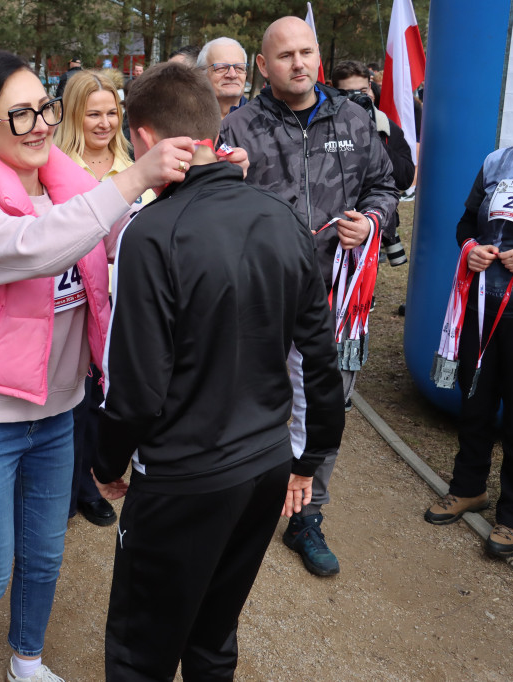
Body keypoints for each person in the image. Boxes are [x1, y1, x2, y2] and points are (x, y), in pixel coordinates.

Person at [0, 50, 193, 682]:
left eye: (42, 108)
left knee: (45, 557)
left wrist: (204, 181)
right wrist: (131, 181)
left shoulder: (73, 191)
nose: (40, 125)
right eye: (18, 115)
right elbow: (35, 249)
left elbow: (136, 247)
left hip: (57, 411)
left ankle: (26, 658)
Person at [94, 60, 345, 682]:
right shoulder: (282, 216)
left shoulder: (150, 232)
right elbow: (318, 357)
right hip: (262, 465)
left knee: (140, 647)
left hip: (186, 474)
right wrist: (307, 459)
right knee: (213, 632)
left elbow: (136, 385)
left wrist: (105, 464)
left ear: (145, 139)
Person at [219, 16, 399, 577]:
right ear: (263, 66)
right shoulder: (237, 127)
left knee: (323, 409)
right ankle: (239, 503)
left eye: (307, 52)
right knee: (247, 401)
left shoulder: (354, 117)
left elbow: (385, 187)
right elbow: (206, 206)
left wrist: (370, 223)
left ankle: (307, 516)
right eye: (285, 55)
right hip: (259, 301)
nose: (299, 63)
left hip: (333, 298)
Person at [424, 69, 513, 560]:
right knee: (474, 402)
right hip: (482, 305)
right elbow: (465, 222)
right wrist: (472, 247)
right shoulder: (499, 160)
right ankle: (469, 486)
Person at [53, 68, 154, 527]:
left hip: (125, 305)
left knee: (108, 396)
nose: (104, 123)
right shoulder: (55, 169)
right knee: (74, 397)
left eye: (112, 113)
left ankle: (96, 479)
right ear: (74, 116)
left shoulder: (136, 168)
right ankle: (68, 485)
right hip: (72, 302)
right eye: (92, 113)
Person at [332, 60, 414, 265]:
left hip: (369, 227)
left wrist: (371, 137)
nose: (359, 99)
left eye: (363, 90)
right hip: (333, 228)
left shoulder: (386, 127)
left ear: (371, 88)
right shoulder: (324, 128)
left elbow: (404, 178)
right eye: (350, 93)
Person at [195, 37, 249, 117]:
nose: (232, 75)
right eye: (221, 68)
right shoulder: (182, 119)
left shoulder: (263, 121)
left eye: (239, 68)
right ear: (202, 75)